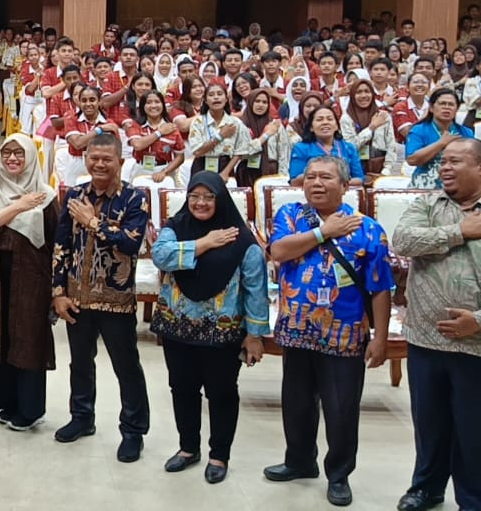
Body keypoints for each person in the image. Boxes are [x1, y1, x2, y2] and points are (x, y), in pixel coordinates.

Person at [264, 155, 393, 507]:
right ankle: (299, 461)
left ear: (345, 185)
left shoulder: (367, 228)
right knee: (296, 404)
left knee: (342, 409)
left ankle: (339, 474)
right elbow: (279, 251)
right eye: (310, 177)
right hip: (297, 328)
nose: (316, 183)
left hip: (345, 334)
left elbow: (380, 286)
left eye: (325, 177)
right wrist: (324, 232)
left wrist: (380, 339)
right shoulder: (290, 216)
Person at [150, 171, 270, 484]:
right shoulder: (176, 227)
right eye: (194, 196)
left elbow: (256, 290)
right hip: (177, 328)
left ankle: (219, 455)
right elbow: (160, 256)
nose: (200, 203)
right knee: (182, 389)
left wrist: (254, 336)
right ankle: (188, 448)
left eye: (208, 197)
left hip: (223, 332)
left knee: (222, 393)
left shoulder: (242, 240)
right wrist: (203, 243)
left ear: (221, 199)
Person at [389, 138, 481, 511]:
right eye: (443, 161)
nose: (444, 167)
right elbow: (403, 241)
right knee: (429, 422)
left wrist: (477, 322)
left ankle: (473, 499)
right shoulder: (428, 204)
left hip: (475, 344)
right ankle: (426, 488)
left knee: (473, 429)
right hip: (425, 339)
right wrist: (460, 231)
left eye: (455, 161)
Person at [50, 133, 150, 463]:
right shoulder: (74, 195)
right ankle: (82, 417)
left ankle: (133, 431)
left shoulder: (134, 199)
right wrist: (58, 292)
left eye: (107, 159)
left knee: (126, 366)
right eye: (94, 158)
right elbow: (61, 245)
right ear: (85, 159)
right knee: (80, 362)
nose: (99, 164)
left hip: (115, 299)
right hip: (77, 297)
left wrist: (92, 222)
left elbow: (131, 243)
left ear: (120, 161)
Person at [0, 134, 57, 431]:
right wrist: (19, 206)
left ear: (31, 157)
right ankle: (8, 402)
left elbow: (57, 241)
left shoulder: (46, 196)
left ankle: (30, 409)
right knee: (2, 334)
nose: (12, 159)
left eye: (19, 153)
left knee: (28, 338)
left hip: (32, 280)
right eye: (6, 153)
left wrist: (58, 288)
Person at [406, 87, 475, 189]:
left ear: (457, 109)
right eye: (442, 103)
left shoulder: (466, 132)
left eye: (451, 104)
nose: (446, 107)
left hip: (457, 187)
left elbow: (473, 161)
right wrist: (441, 143)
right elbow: (412, 160)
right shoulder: (419, 130)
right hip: (423, 186)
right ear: (431, 108)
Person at [289, 106, 365, 186]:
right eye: (319, 119)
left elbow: (359, 179)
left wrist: (336, 184)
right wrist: (321, 175)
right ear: (311, 127)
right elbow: (294, 181)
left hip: (342, 191)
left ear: (336, 126)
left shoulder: (349, 148)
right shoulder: (301, 148)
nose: (325, 122)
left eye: (329, 119)